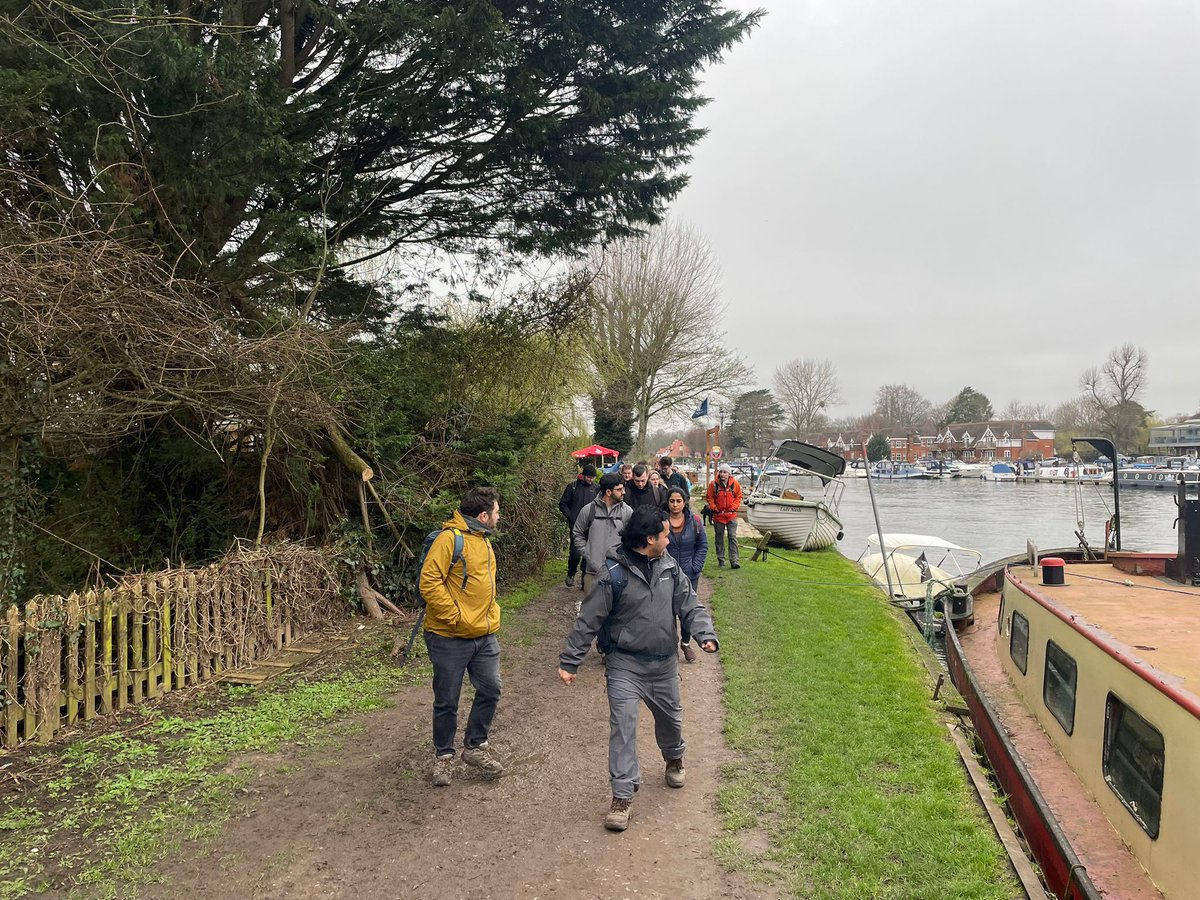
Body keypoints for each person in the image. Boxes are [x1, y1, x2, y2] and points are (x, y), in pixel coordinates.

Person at [558, 507, 719, 832]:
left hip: (662, 664)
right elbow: (589, 619)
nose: (669, 539)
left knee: (671, 720)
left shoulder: (670, 568)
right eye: (664, 534)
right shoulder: (612, 575)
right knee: (623, 728)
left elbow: (689, 604)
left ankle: (674, 758)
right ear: (649, 540)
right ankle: (622, 796)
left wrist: (705, 634)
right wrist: (570, 660)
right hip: (624, 666)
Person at [419, 486, 505, 787]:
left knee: (491, 689)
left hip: (484, 634)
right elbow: (429, 583)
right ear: (483, 515)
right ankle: (443, 757)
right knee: (447, 700)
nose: (498, 516)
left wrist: (489, 615)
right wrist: (456, 616)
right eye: (495, 512)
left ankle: (475, 746)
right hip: (448, 636)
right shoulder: (448, 539)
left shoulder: (483, 540)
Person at [665, 486, 708, 663]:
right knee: (667, 612)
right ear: (667, 502)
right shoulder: (661, 521)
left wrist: (695, 566)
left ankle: (686, 642)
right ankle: (671, 645)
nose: (675, 505)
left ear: (684, 502)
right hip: (666, 573)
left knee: (687, 610)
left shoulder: (695, 521)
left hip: (689, 574)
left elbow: (703, 545)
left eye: (678, 501)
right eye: (672, 501)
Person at [571, 472, 632, 593]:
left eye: (623, 488)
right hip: (592, 573)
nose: (623, 492)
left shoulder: (627, 512)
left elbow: (633, 539)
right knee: (592, 611)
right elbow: (577, 533)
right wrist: (588, 553)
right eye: (619, 489)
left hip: (618, 574)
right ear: (608, 492)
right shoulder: (588, 510)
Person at [559, 464, 599, 587]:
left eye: (593, 477)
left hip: (591, 525)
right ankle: (571, 573)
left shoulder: (596, 489)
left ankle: (584, 578)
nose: (591, 480)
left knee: (588, 553)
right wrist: (571, 516)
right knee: (575, 552)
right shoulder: (573, 487)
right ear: (583, 476)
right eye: (589, 477)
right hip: (576, 525)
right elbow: (563, 504)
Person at [705, 463, 743, 569]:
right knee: (719, 538)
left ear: (729, 474)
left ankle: (734, 560)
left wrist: (733, 507)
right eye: (721, 472)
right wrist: (714, 508)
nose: (722, 474)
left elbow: (739, 496)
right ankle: (721, 560)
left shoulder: (735, 484)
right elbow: (709, 497)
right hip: (718, 516)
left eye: (725, 472)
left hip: (731, 515)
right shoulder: (713, 484)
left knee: (732, 537)